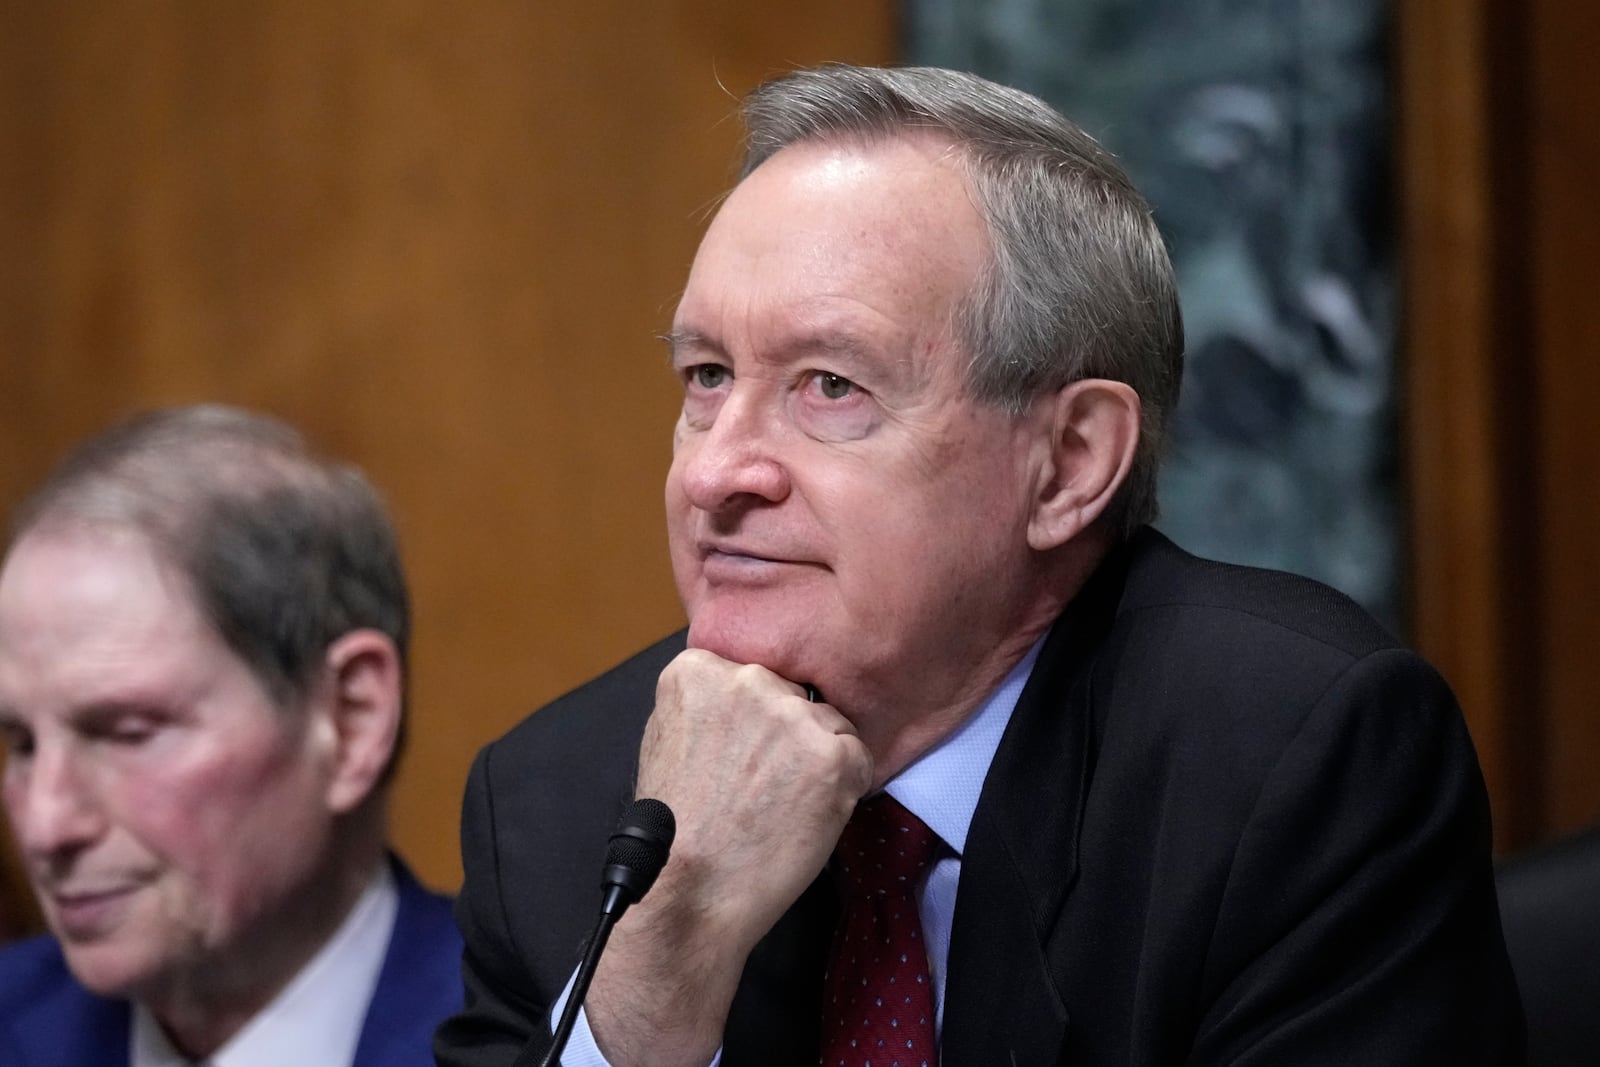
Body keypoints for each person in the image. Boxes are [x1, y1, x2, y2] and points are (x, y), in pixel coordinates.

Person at [434, 64, 1523, 1066]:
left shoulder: (1284, 757)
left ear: (1067, 462)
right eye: (706, 376)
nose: (716, 471)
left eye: (830, 386)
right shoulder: (567, 806)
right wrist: (665, 951)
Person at [0, 405, 461, 1067]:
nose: (45, 826)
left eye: (127, 733)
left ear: (351, 719)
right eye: (21, 744)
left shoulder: (557, 1038)